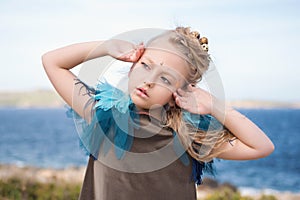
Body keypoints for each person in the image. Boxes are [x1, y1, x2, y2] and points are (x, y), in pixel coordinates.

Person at [42, 27, 274, 200]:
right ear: (133, 62)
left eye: (165, 78)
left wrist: (215, 105)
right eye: (146, 65)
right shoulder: (104, 114)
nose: (149, 81)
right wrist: (105, 47)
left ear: (180, 89)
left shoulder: (189, 133)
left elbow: (261, 147)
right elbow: (52, 62)